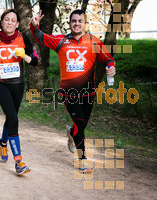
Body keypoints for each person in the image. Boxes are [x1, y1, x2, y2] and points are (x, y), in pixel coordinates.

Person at [30, 9, 116, 172]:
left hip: (89, 93)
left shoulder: (94, 42)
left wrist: (111, 67)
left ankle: (71, 133)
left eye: (80, 21)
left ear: (85, 23)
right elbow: (40, 37)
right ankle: (82, 159)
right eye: (74, 21)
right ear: (70, 23)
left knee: (80, 127)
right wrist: (34, 27)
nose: (77, 23)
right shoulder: (61, 41)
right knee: (80, 125)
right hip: (69, 93)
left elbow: (108, 59)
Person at [0, 9, 38, 175]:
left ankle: (3, 143)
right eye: (7, 20)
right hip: (0, 84)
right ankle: (19, 161)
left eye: (13, 20)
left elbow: (35, 60)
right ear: (2, 22)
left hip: (18, 84)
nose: (10, 22)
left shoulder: (23, 38)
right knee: (13, 118)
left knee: (10, 117)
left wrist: (25, 57)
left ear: (18, 24)